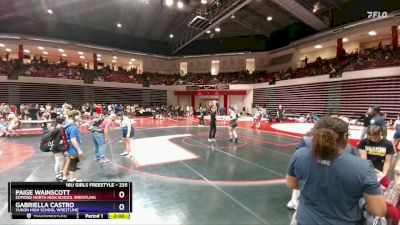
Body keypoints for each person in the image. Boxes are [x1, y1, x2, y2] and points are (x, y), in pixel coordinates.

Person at [287, 117, 386, 224]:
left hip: (305, 220)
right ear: (345, 136)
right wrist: (360, 201)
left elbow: (292, 183)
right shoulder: (363, 167)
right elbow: (379, 210)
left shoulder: (300, 154)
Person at [62, 110, 83, 182]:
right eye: (79, 115)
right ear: (75, 116)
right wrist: (79, 150)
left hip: (68, 146)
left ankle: (66, 176)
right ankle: (72, 179)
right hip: (72, 147)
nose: (80, 117)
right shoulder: (73, 127)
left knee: (70, 161)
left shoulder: (67, 124)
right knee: (73, 163)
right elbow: (73, 140)